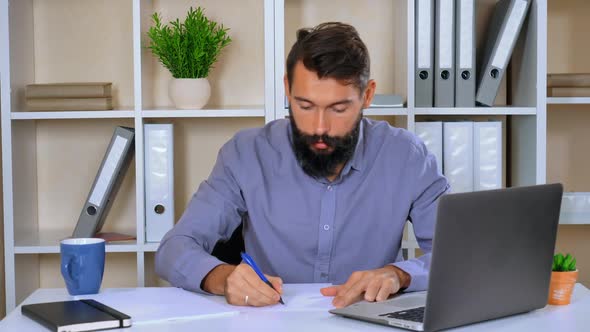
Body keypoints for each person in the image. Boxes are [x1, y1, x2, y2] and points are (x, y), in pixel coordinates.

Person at [155, 22, 449, 309]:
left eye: (338, 108)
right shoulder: (246, 153)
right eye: (305, 106)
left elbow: (457, 254)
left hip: (367, 320)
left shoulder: (407, 156)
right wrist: (224, 277)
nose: (319, 127)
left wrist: (401, 274)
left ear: (367, 96)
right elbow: (174, 249)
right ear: (287, 88)